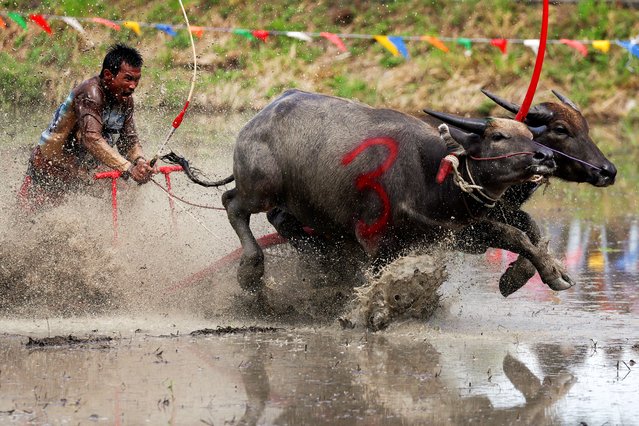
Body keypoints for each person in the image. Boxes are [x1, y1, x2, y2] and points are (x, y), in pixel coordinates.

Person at [17, 43, 156, 211]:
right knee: (30, 219)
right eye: (128, 78)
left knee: (124, 194)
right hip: (50, 168)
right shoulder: (91, 93)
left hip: (81, 170)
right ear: (108, 75)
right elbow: (92, 139)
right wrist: (128, 168)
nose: (133, 86)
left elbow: (129, 142)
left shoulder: (125, 100)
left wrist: (140, 162)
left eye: (136, 80)